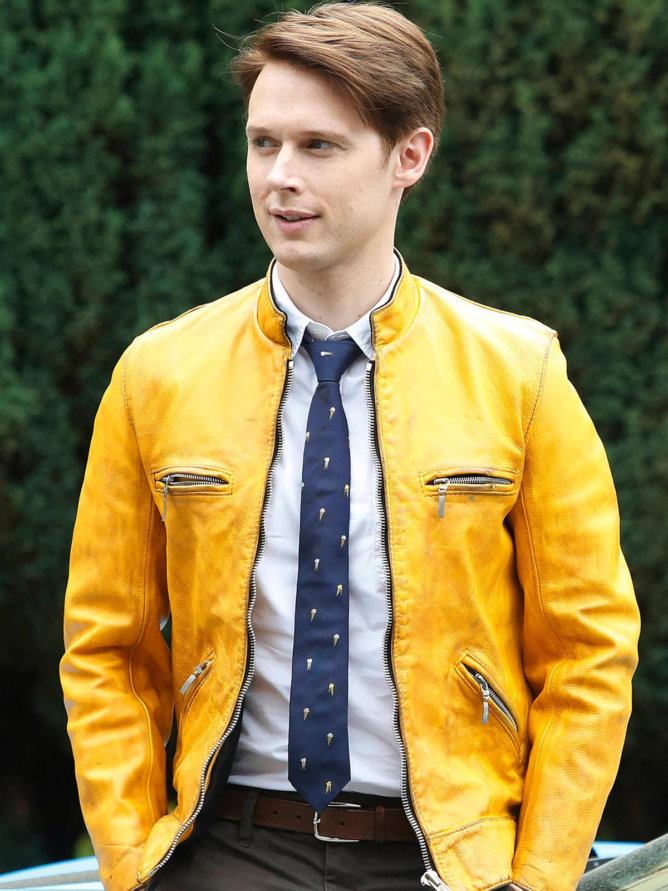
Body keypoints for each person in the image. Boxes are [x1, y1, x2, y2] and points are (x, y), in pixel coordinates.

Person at [60, 3, 640, 890]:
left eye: (319, 146)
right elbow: (106, 648)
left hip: (452, 858)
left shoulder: (519, 372)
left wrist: (539, 874)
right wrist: (133, 863)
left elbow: (587, 651)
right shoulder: (157, 373)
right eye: (263, 144)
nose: (280, 177)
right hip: (229, 852)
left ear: (410, 155)